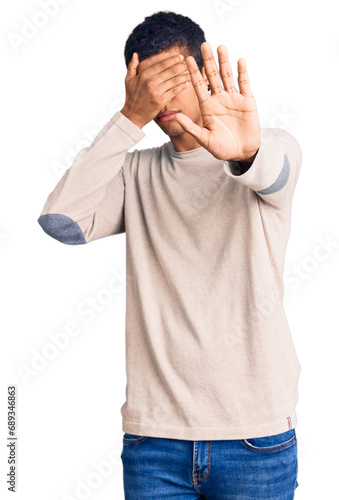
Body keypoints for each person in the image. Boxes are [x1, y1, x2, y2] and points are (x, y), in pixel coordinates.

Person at [37, 10, 301, 499]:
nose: (160, 98)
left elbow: (275, 171)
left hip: (254, 437)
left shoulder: (270, 149)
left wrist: (244, 153)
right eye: (146, 86)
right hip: (154, 442)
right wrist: (128, 119)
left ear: (203, 70)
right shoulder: (134, 174)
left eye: (171, 79)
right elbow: (61, 223)